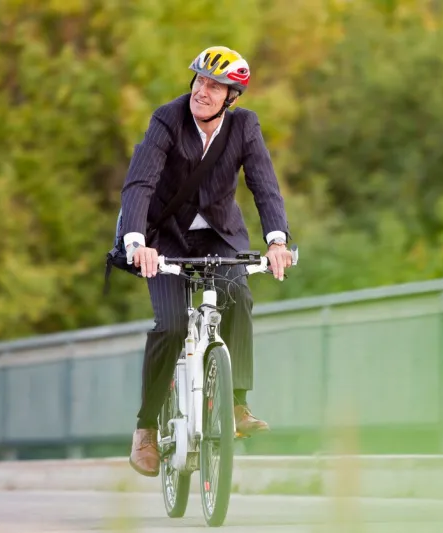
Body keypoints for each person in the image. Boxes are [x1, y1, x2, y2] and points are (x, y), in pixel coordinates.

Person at [118, 46, 294, 477]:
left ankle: (235, 404)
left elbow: (264, 186)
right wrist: (137, 241)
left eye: (215, 86)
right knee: (173, 324)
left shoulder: (244, 127)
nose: (203, 90)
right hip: (163, 239)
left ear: (232, 96)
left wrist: (276, 240)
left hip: (219, 235)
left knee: (238, 296)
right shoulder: (167, 119)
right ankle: (145, 430)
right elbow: (140, 182)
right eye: (199, 80)